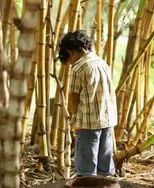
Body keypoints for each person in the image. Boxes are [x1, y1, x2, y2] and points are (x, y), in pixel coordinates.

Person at [58, 30, 118, 177]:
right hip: (108, 120)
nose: (70, 62)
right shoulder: (102, 63)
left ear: (70, 52)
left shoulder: (79, 68)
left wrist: (74, 121)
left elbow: (73, 98)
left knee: (86, 169)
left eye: (68, 58)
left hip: (88, 123)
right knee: (105, 167)